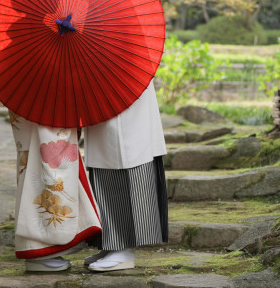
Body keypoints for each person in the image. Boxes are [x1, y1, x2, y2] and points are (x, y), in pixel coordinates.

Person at [82, 81, 169, 272]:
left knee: (124, 156)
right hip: (102, 88)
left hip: (124, 86)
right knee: (103, 157)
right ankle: (111, 244)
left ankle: (124, 248)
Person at [9, 113, 102, 272]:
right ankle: (39, 251)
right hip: (45, 105)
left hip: (35, 106)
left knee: (33, 165)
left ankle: (38, 249)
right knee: (44, 164)